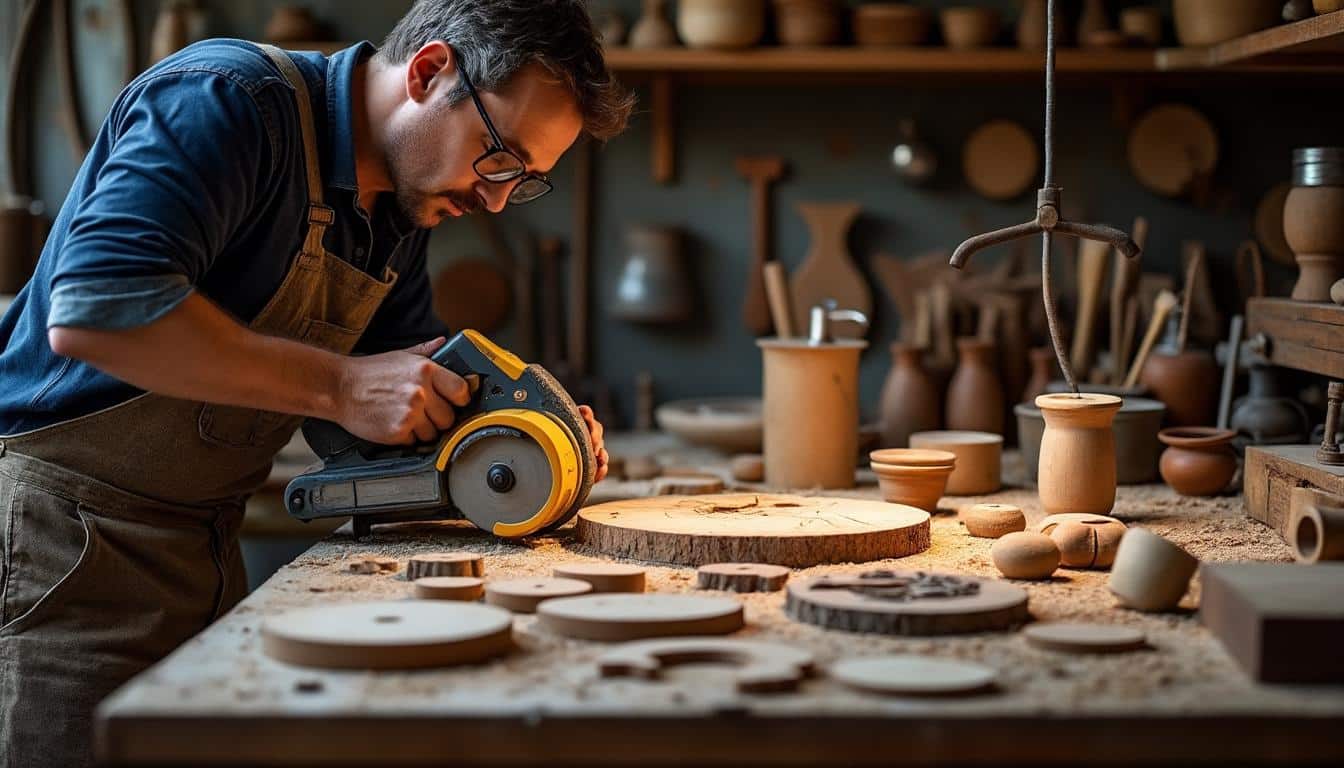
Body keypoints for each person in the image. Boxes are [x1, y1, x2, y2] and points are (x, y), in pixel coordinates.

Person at [0, 1, 632, 765]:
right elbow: (100, 310)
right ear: (430, 73)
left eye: (524, 181)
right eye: (499, 157)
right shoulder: (229, 102)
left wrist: (537, 436)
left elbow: (416, 410)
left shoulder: (398, 210)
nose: (495, 197)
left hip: (203, 547)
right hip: (62, 542)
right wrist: (339, 388)